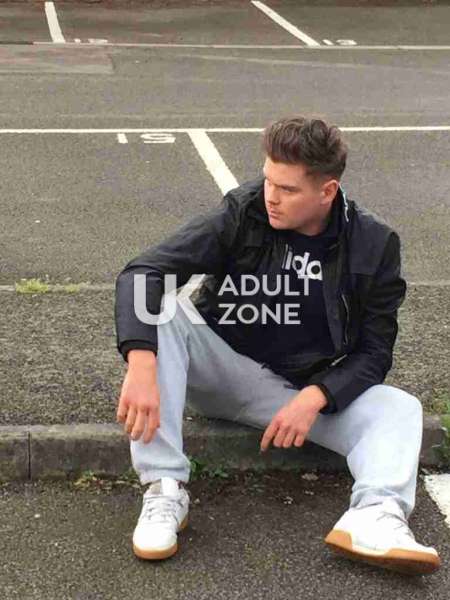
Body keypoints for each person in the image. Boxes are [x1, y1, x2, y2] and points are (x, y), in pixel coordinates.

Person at [114, 115, 441, 575]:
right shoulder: (244, 211)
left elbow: (375, 350)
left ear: (327, 191)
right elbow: (144, 272)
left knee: (400, 409)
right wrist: (141, 362)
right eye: (269, 180)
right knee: (163, 310)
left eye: (287, 189)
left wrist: (317, 395)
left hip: (297, 390)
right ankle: (164, 489)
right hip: (221, 367)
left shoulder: (373, 243)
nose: (271, 195)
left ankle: (376, 516)